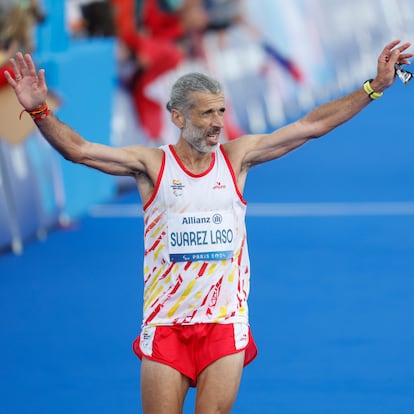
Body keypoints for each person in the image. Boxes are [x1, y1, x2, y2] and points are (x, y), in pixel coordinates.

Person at [4, 39, 412, 413]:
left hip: (223, 323)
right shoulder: (151, 166)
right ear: (178, 117)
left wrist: (373, 87)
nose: (218, 123)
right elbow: (79, 151)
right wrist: (40, 111)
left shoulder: (237, 158)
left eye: (221, 111)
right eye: (207, 113)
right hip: (165, 324)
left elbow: (310, 126)